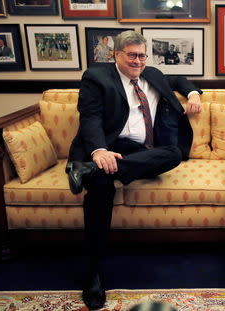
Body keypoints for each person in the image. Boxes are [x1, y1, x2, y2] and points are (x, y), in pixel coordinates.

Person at [65, 30, 202, 310]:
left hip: (138, 152)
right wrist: (99, 151)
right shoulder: (96, 77)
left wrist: (194, 92)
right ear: (116, 55)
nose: (138, 61)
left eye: (142, 55)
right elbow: (90, 118)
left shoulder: (151, 73)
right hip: (107, 145)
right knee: (101, 191)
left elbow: (177, 79)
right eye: (132, 55)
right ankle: (94, 272)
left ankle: (91, 171)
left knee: (173, 153)